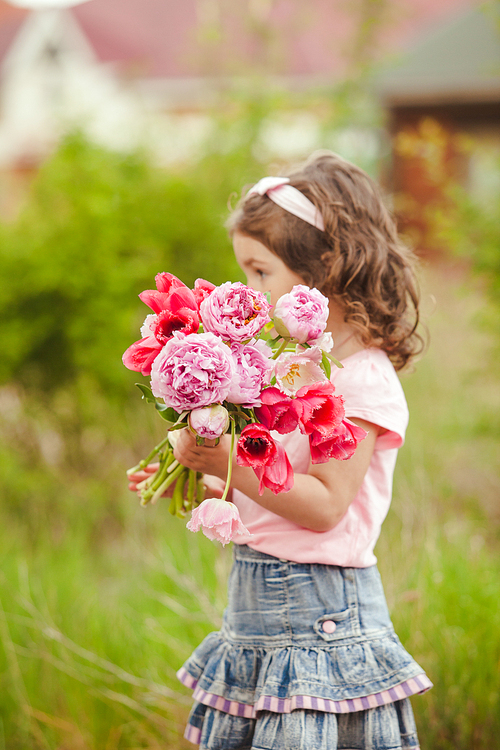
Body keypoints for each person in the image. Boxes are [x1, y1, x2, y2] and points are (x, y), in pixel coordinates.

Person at [130, 151, 431, 750]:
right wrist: (199, 464)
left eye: (260, 272)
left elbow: (323, 507)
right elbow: (274, 487)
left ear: (322, 271)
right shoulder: (285, 369)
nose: (247, 289)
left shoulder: (359, 379)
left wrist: (228, 464)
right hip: (258, 613)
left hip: (321, 621)